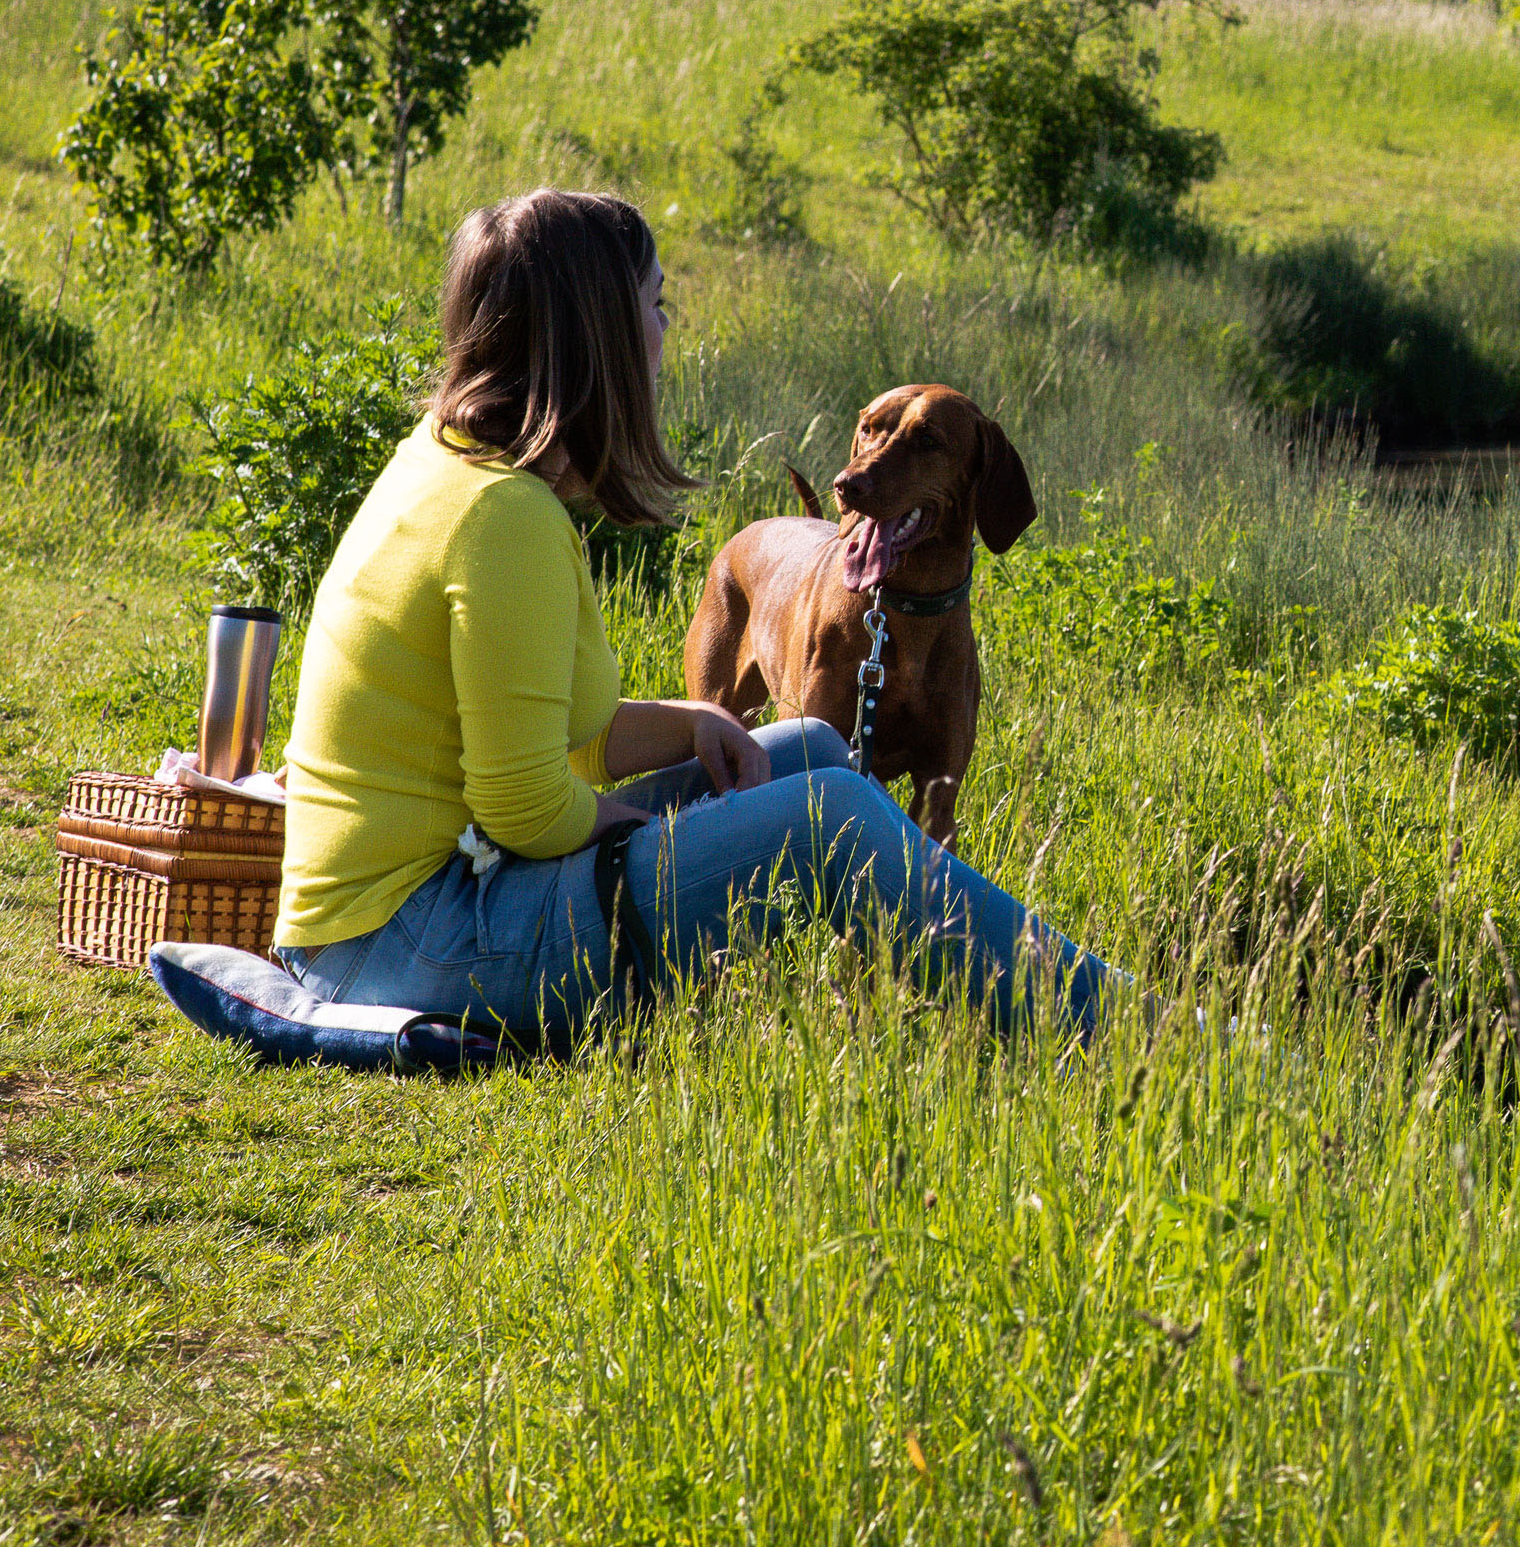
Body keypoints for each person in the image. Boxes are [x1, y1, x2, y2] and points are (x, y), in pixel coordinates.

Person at [269, 187, 1117, 1045]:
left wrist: (695, 723)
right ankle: (1126, 1027)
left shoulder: (446, 466)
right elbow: (526, 808)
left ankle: (906, 1011)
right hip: (411, 941)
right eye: (656, 303)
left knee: (818, 755)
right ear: (596, 330)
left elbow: (540, 731)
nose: (666, 329)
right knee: (835, 818)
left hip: (392, 921)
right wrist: (638, 829)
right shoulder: (506, 519)